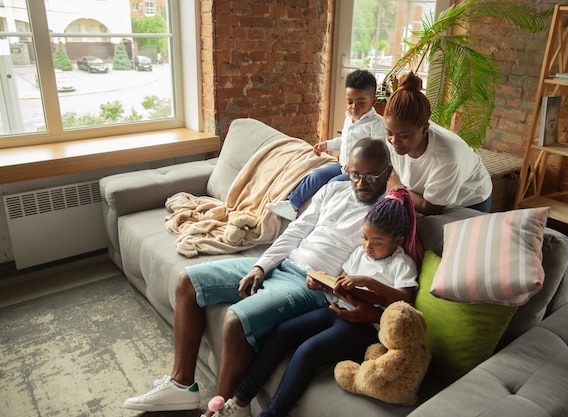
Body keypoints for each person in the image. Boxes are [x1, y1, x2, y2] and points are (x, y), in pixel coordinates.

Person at [122, 138, 392, 413]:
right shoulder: (334, 188)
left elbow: (378, 264)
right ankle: (182, 386)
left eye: (371, 176)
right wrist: (261, 266)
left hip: (310, 284)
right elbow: (296, 231)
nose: (360, 183)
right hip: (283, 263)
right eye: (355, 174)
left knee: (234, 319)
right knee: (187, 281)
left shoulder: (388, 212)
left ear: (387, 172)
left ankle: (221, 410)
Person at [210, 187, 422, 417]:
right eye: (364, 237)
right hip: (335, 308)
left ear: (397, 241)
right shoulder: (360, 253)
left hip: (364, 327)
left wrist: (369, 282)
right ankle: (239, 401)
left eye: (377, 242)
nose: (367, 247)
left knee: (308, 351)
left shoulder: (402, 264)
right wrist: (322, 283)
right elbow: (342, 281)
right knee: (282, 333)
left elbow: (405, 299)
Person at [266, 69, 386, 221]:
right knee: (316, 176)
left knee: (332, 184)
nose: (354, 107)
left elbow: (378, 151)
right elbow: (344, 140)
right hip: (342, 165)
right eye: (350, 102)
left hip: (359, 174)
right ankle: (292, 205)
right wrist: (326, 145)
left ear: (373, 102)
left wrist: (357, 163)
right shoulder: (349, 118)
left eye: (361, 102)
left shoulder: (375, 124)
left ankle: (318, 217)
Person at [384, 72, 493, 215]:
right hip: (420, 194)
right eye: (390, 133)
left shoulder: (447, 157)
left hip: (467, 201)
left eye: (403, 136)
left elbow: (430, 208)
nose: (394, 141)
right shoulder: (396, 133)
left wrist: (396, 188)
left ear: (425, 128)